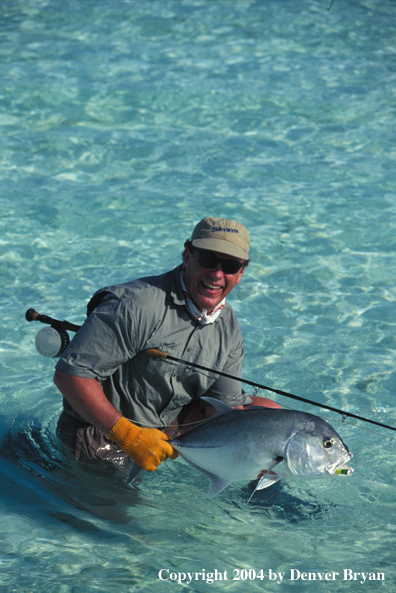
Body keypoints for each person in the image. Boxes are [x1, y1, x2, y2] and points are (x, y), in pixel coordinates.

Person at [53, 216, 280, 472]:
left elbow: (224, 406)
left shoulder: (228, 325)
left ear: (240, 274)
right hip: (103, 428)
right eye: (207, 259)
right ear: (187, 255)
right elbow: (69, 375)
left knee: (271, 419)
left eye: (229, 265)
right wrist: (128, 435)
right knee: (120, 512)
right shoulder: (135, 304)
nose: (217, 274)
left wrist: (254, 451)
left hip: (168, 423)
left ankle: (258, 491)